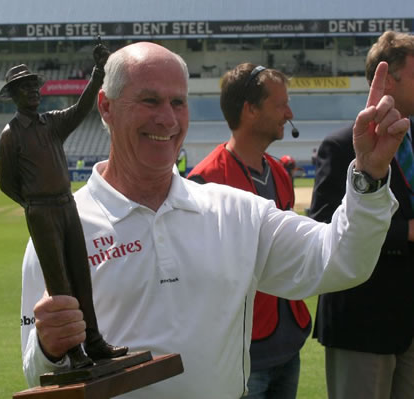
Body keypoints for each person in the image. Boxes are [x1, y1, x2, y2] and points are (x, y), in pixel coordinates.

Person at [21, 42, 408, 398]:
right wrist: (48, 348)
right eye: (150, 100)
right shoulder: (64, 229)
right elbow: (35, 370)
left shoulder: (236, 211)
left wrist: (368, 176)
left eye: (178, 102)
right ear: (105, 105)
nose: (167, 119)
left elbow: (340, 260)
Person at [0, 43, 127, 369]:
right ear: (14, 95)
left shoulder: (51, 123)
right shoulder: (10, 135)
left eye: (33, 86)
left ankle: (94, 342)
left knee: (81, 276)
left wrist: (98, 72)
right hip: (42, 212)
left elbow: (83, 108)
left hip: (67, 205)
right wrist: (33, 204)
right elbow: (6, 183)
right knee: (60, 285)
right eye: (24, 88)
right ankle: (74, 352)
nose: (32, 92)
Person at [188, 64, 311, 399]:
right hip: (242, 356)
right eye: (280, 104)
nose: (289, 113)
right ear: (250, 110)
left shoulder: (279, 173)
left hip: (288, 344)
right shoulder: (204, 182)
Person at [309, 31, 414, 399]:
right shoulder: (340, 147)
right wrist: (406, 232)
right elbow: (323, 226)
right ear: (386, 80)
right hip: (363, 324)